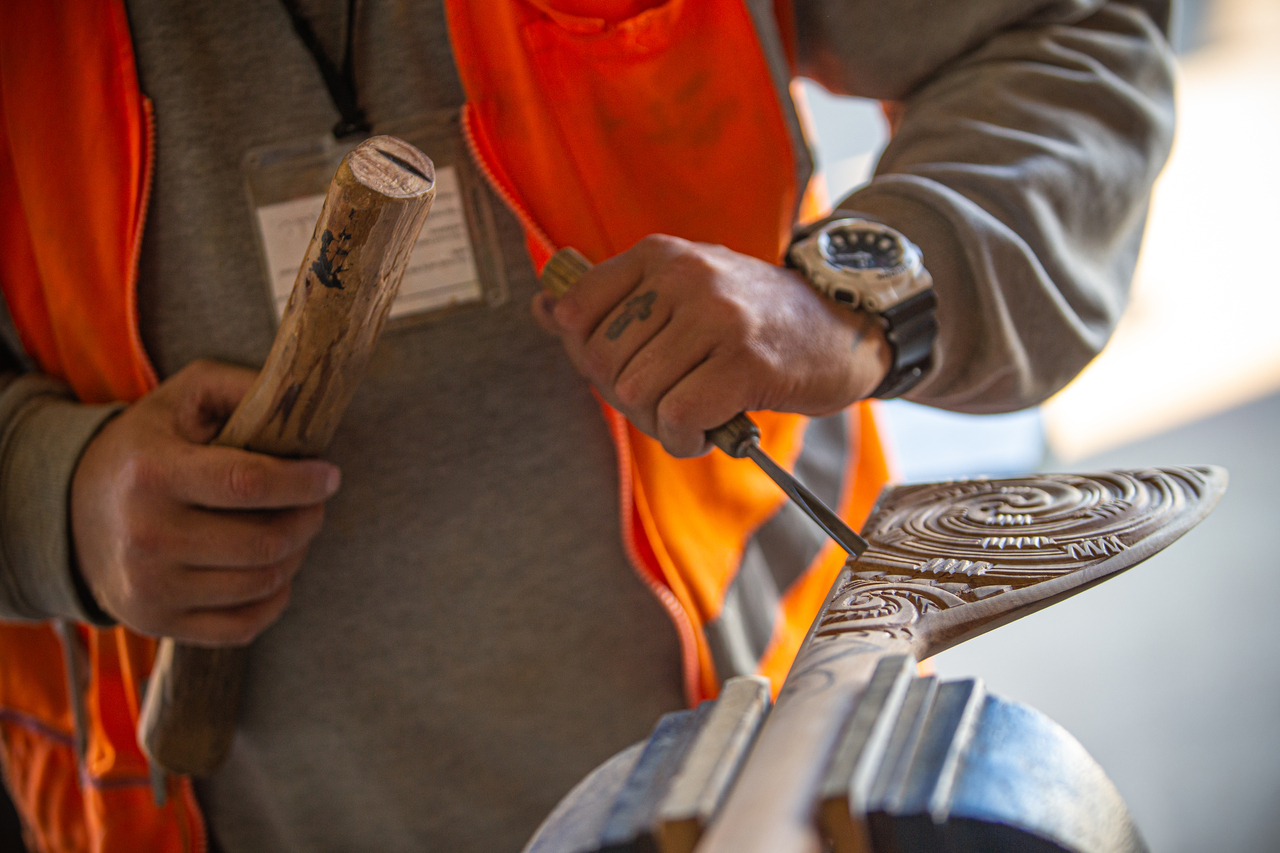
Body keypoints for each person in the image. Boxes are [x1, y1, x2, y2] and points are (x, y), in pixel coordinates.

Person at [0, 1, 1175, 851]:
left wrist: (847, 300)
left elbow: (1062, 28)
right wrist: (53, 493)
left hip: (759, 783)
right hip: (174, 812)